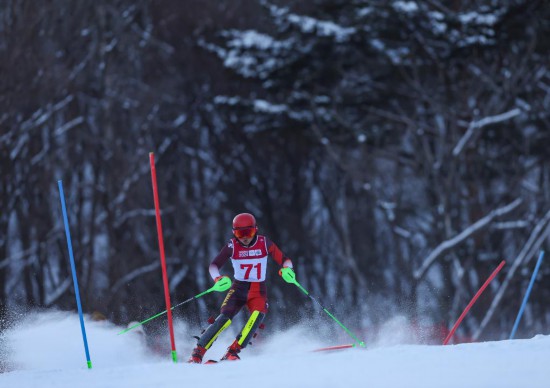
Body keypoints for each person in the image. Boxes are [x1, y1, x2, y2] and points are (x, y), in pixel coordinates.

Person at [188, 212, 294, 363]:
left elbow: (284, 260)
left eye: (248, 232)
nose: (244, 237)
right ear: (234, 233)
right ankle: (198, 353)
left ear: (255, 229)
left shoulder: (264, 243)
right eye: (240, 233)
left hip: (258, 289)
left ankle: (233, 351)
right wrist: (218, 278)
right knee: (225, 318)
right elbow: (214, 265)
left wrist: (287, 269)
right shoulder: (232, 246)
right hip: (239, 288)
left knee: (258, 315)